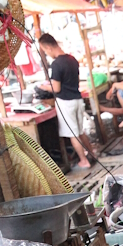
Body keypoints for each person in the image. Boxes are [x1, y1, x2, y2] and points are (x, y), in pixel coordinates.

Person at [37, 33, 97, 170]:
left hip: (66, 102)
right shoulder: (72, 59)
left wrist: (43, 86)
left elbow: (56, 88)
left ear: (48, 47)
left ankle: (84, 160)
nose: (46, 53)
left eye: (45, 51)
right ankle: (92, 155)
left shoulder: (57, 64)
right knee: (80, 131)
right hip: (77, 99)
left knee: (72, 134)